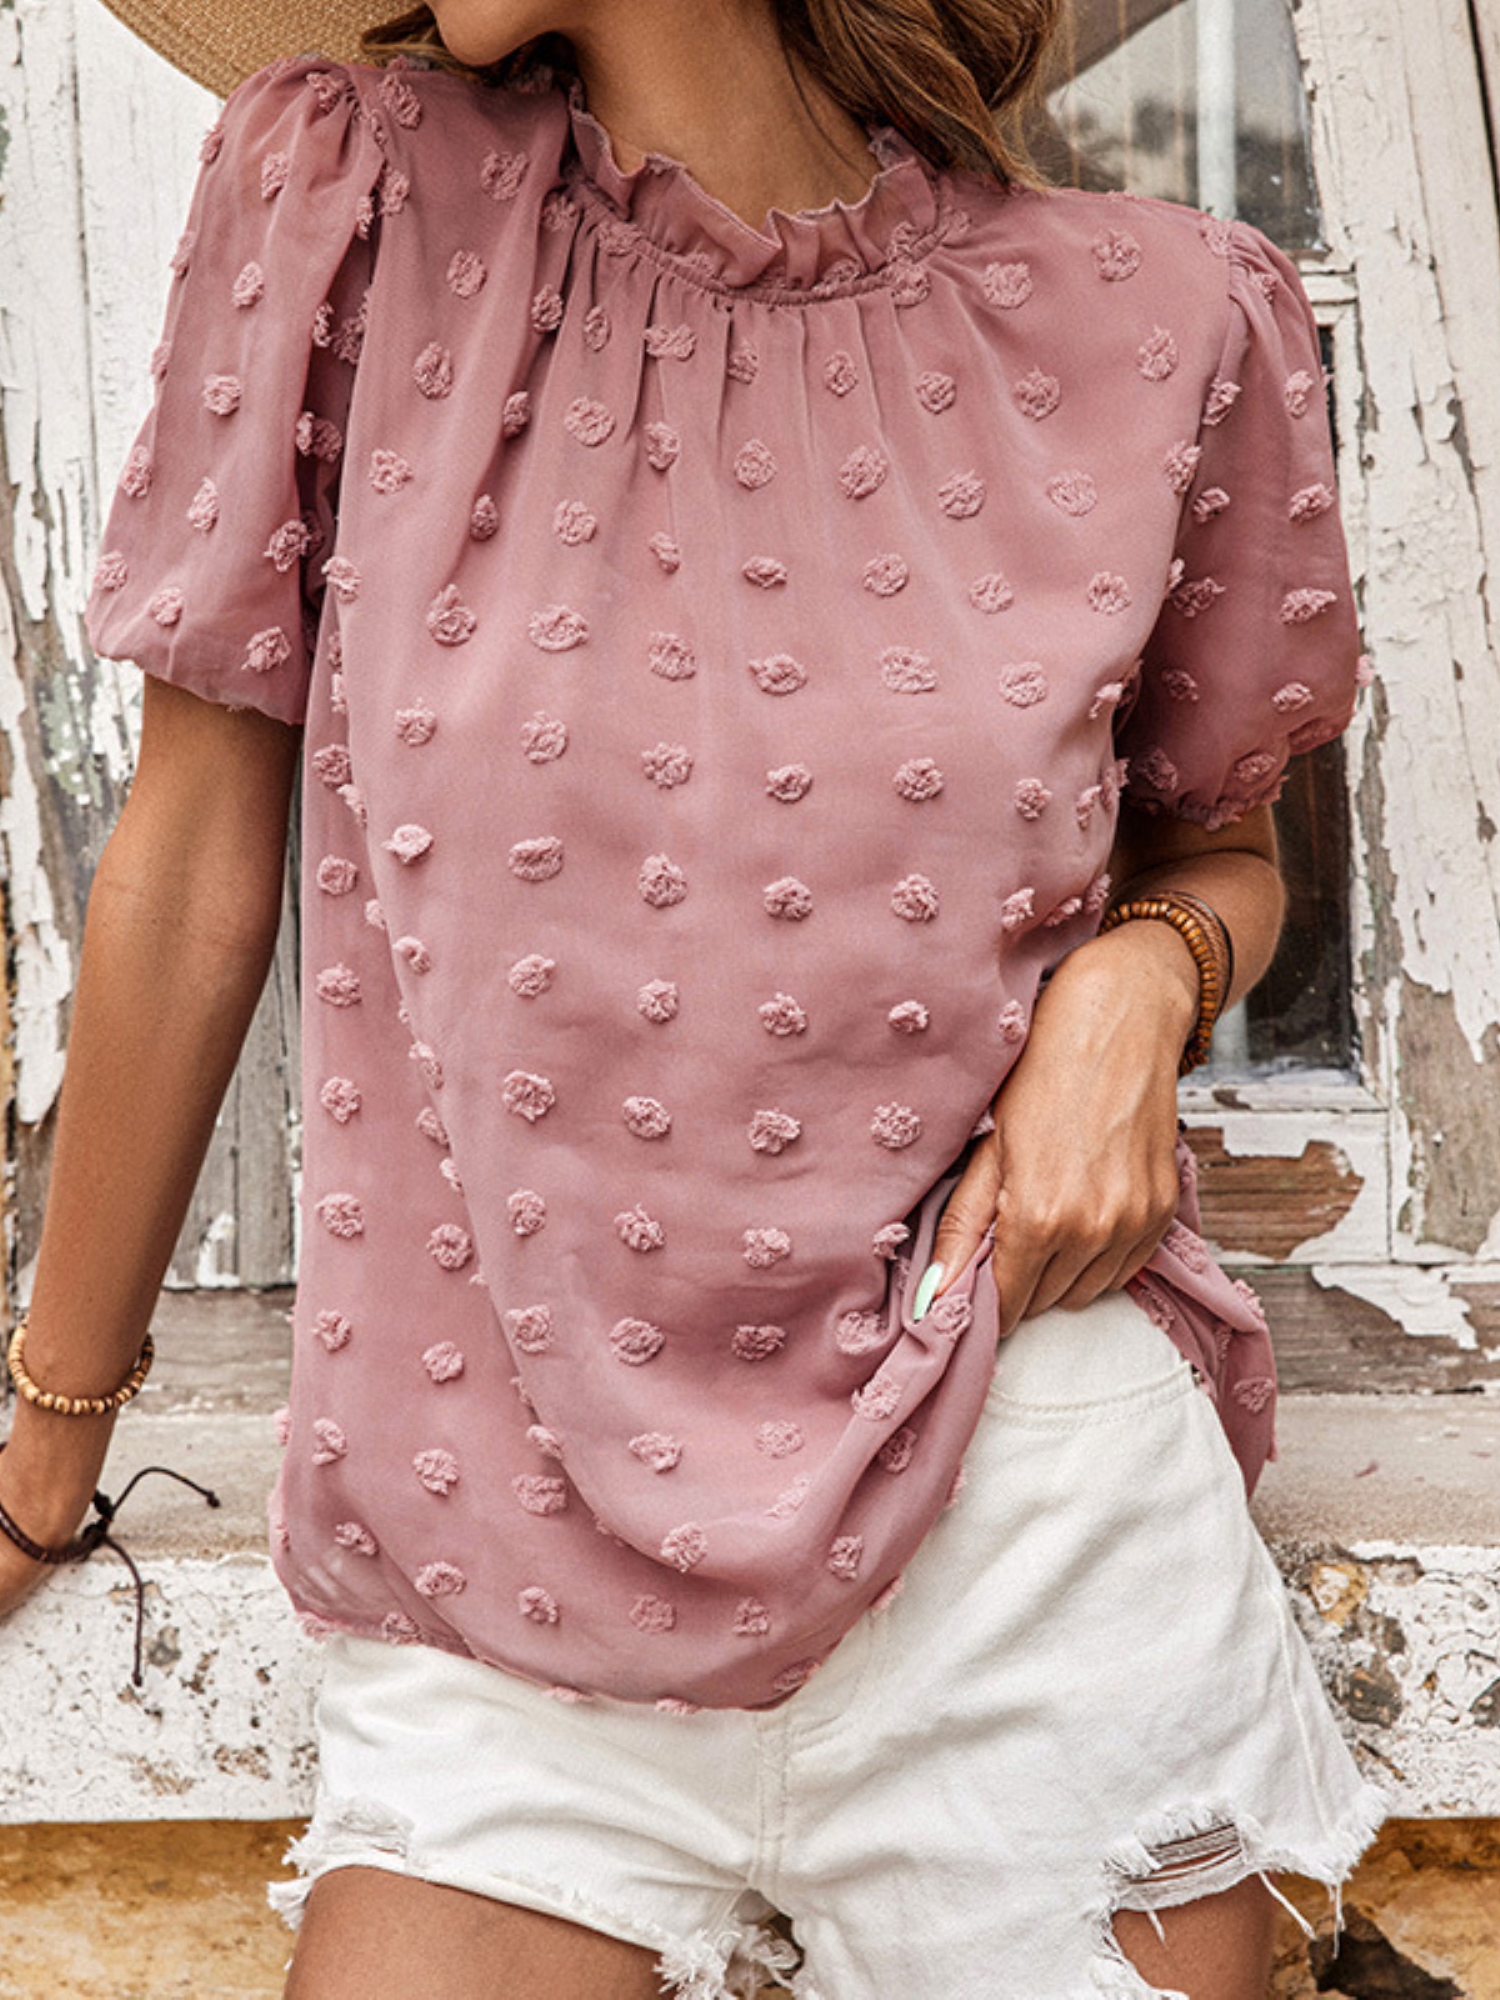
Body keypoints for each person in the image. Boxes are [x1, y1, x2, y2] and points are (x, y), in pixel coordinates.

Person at [0, 0, 1389, 1992]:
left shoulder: (1158, 314)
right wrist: (45, 1460)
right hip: (499, 1557)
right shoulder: (355, 205)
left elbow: (1223, 851)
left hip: (1033, 1502)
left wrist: (1139, 986)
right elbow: (192, 867)